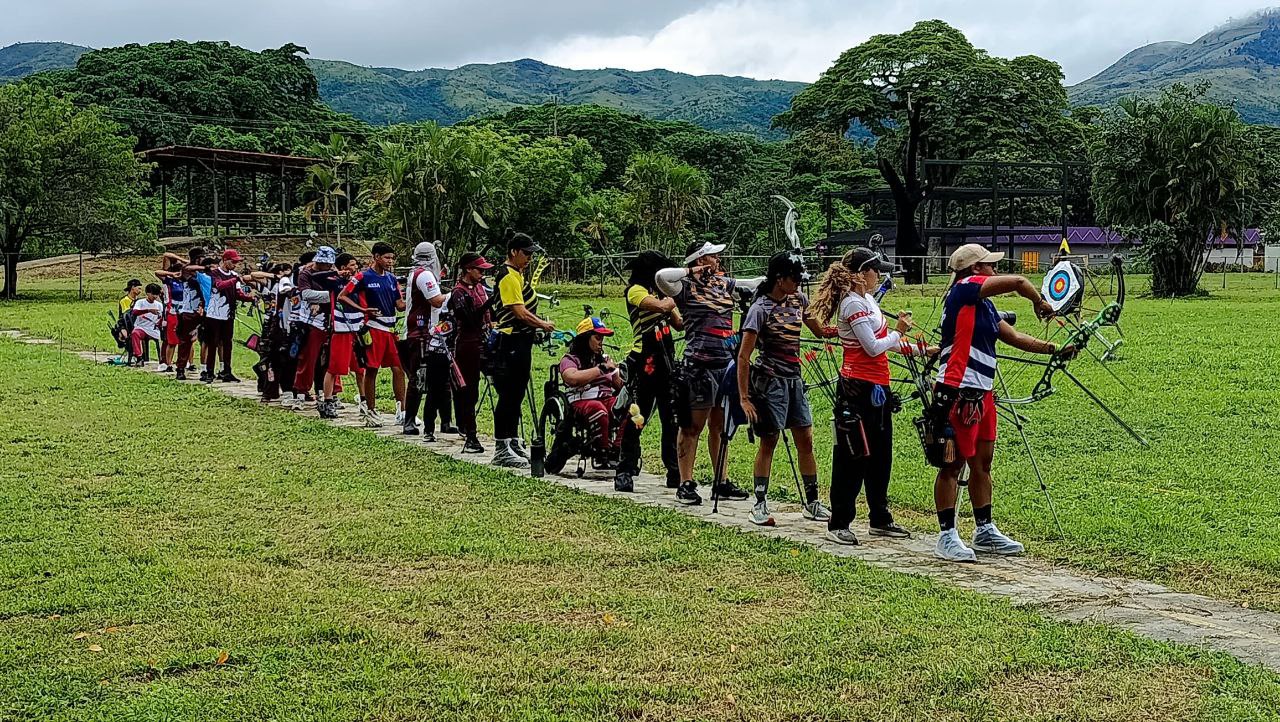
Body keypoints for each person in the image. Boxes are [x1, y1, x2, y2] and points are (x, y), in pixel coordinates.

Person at [931, 243, 1074, 562]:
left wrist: (1056, 349)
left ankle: (984, 529)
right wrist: (1041, 302)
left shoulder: (984, 307)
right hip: (957, 391)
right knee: (952, 465)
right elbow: (1020, 282)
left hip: (981, 394)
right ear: (975, 270)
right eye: (989, 265)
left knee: (982, 464)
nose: (994, 269)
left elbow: (1012, 337)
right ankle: (946, 536)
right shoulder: (964, 289)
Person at [808, 247, 931, 546]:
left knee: (880, 455)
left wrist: (921, 350)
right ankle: (839, 522)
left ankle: (880, 517)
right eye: (876, 270)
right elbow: (873, 347)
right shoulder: (851, 304)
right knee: (852, 456)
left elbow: (885, 343)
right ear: (862, 274)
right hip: (856, 389)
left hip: (878, 388)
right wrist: (900, 331)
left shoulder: (868, 300)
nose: (880, 275)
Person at [655, 241, 762, 506]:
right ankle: (686, 483)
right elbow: (661, 278)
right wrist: (692, 271)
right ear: (700, 260)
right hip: (699, 365)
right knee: (692, 426)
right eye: (712, 257)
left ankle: (721, 481)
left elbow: (754, 283)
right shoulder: (686, 286)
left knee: (720, 425)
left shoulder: (723, 284)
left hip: (724, 365)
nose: (717, 261)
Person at [737, 251, 834, 527]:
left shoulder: (798, 300)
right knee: (769, 441)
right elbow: (744, 356)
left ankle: (812, 501)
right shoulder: (760, 309)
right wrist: (744, 397)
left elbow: (818, 328)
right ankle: (759, 503)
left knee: (806, 439)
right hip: (770, 383)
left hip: (794, 380)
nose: (799, 284)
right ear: (779, 279)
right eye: (794, 279)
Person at [615, 251, 683, 493]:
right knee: (637, 416)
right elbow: (662, 306)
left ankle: (674, 470)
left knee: (670, 418)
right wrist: (675, 292)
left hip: (666, 361)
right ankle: (624, 469)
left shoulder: (660, 293)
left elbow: (678, 324)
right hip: (644, 360)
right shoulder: (635, 291)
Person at [489, 231, 555, 467]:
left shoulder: (518, 275)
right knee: (508, 395)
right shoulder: (507, 276)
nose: (529, 258)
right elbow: (518, 311)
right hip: (510, 342)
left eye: (531, 254)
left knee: (516, 394)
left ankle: (513, 440)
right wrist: (542, 324)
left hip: (522, 341)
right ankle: (501, 447)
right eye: (526, 253)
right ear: (513, 252)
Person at [338, 242, 406, 428]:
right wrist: (363, 309)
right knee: (372, 369)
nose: (390, 261)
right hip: (374, 328)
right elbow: (342, 296)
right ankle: (371, 410)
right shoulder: (363, 276)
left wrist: (414, 299)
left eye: (392, 258)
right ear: (376, 257)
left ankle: (402, 411)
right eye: (386, 258)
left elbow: (399, 304)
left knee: (398, 369)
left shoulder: (392, 279)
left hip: (391, 329)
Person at [559, 317, 625, 460]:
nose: (601, 342)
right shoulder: (570, 359)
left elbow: (619, 384)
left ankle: (618, 448)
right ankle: (602, 449)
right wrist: (600, 369)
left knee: (628, 408)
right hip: (582, 400)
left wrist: (621, 374)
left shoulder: (605, 359)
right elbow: (572, 378)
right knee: (598, 409)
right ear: (585, 339)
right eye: (597, 338)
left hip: (606, 398)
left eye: (602, 338)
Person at [400, 242, 448, 437]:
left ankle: (446, 421)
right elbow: (436, 300)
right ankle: (409, 421)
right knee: (418, 378)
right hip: (421, 332)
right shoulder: (425, 275)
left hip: (428, 332)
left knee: (442, 378)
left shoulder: (415, 273)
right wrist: (455, 295)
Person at [448, 251, 494, 454]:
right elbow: (469, 319)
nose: (482, 274)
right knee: (468, 391)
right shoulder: (458, 293)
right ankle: (470, 435)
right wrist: (490, 303)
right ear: (468, 270)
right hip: (467, 344)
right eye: (479, 270)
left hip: (484, 341)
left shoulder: (481, 288)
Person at [289, 246, 337, 409]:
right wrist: (331, 296)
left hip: (330, 320)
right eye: (326, 264)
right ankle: (301, 393)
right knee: (308, 358)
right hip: (311, 321)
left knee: (332, 360)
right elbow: (306, 294)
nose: (329, 267)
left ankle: (331, 393)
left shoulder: (333, 272)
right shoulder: (305, 273)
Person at [320, 253, 366, 419]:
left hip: (357, 328)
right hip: (341, 328)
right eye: (352, 265)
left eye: (355, 265)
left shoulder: (358, 282)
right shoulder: (334, 282)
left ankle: (364, 401)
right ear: (343, 267)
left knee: (361, 368)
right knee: (334, 368)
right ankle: (327, 401)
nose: (355, 268)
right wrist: (337, 274)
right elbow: (315, 276)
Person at [154, 252, 189, 372]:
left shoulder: (185, 281)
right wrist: (173, 273)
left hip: (184, 312)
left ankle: (186, 362)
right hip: (171, 311)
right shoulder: (169, 280)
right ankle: (167, 363)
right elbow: (165, 258)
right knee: (171, 340)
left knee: (186, 339)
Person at [128, 284, 165, 365]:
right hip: (141, 327)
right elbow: (135, 312)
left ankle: (163, 358)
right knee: (135, 333)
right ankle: (139, 357)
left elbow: (162, 317)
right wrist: (148, 310)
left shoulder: (159, 305)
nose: (155, 296)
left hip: (154, 329)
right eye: (153, 294)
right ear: (148, 293)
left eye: (157, 294)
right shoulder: (140, 302)